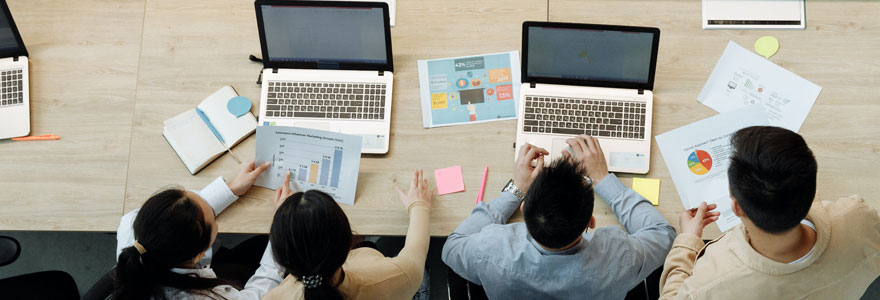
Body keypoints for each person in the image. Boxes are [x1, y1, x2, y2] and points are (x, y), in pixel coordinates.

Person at [659, 126, 880, 299]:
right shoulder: (859, 215)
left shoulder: (707, 287)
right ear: (812, 192)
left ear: (737, 208)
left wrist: (687, 239)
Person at [442, 136, 676, 299]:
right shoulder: (619, 259)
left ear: (524, 209)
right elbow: (662, 234)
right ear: (591, 222)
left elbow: (451, 248)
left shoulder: (491, 250)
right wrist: (602, 178)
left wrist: (516, 187)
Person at [113, 161, 284, 300]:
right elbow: (259, 296)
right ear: (199, 254)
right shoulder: (205, 297)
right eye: (212, 218)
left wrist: (230, 188)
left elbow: (176, 215)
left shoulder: (133, 226)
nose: (205, 200)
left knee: (258, 244)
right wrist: (283, 226)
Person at [263, 169, 432, 300]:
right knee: (420, 274)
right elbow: (416, 251)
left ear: (280, 257)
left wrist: (289, 222)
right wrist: (418, 206)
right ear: (350, 242)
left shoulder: (274, 296)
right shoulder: (396, 276)